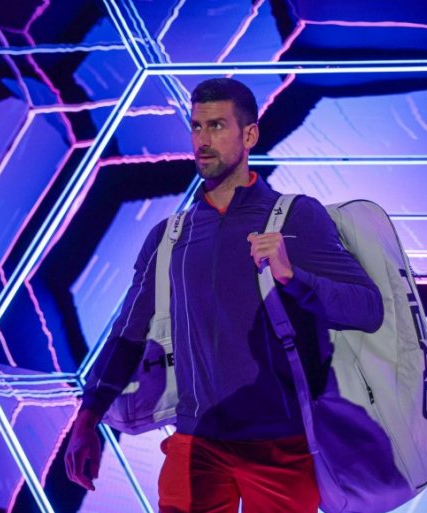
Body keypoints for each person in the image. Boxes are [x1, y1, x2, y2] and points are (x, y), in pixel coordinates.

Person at [65, 77, 384, 513]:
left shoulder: (296, 216)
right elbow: (127, 334)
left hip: (282, 445)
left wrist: (294, 277)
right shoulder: (169, 237)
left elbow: (368, 308)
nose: (202, 140)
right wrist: (88, 417)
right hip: (196, 442)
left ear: (249, 135)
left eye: (216, 126)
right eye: (196, 127)